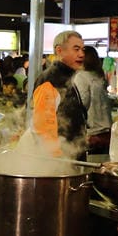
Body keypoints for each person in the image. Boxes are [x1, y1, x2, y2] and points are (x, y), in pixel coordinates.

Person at [30, 30, 88, 158]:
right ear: (59, 50)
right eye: (76, 49)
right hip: (61, 161)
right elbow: (42, 127)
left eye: (82, 50)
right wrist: (57, 162)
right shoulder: (50, 80)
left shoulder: (68, 78)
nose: (81, 54)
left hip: (73, 156)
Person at [73, 44, 113, 155]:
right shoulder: (99, 76)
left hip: (93, 134)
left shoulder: (81, 77)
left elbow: (82, 104)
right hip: (106, 133)